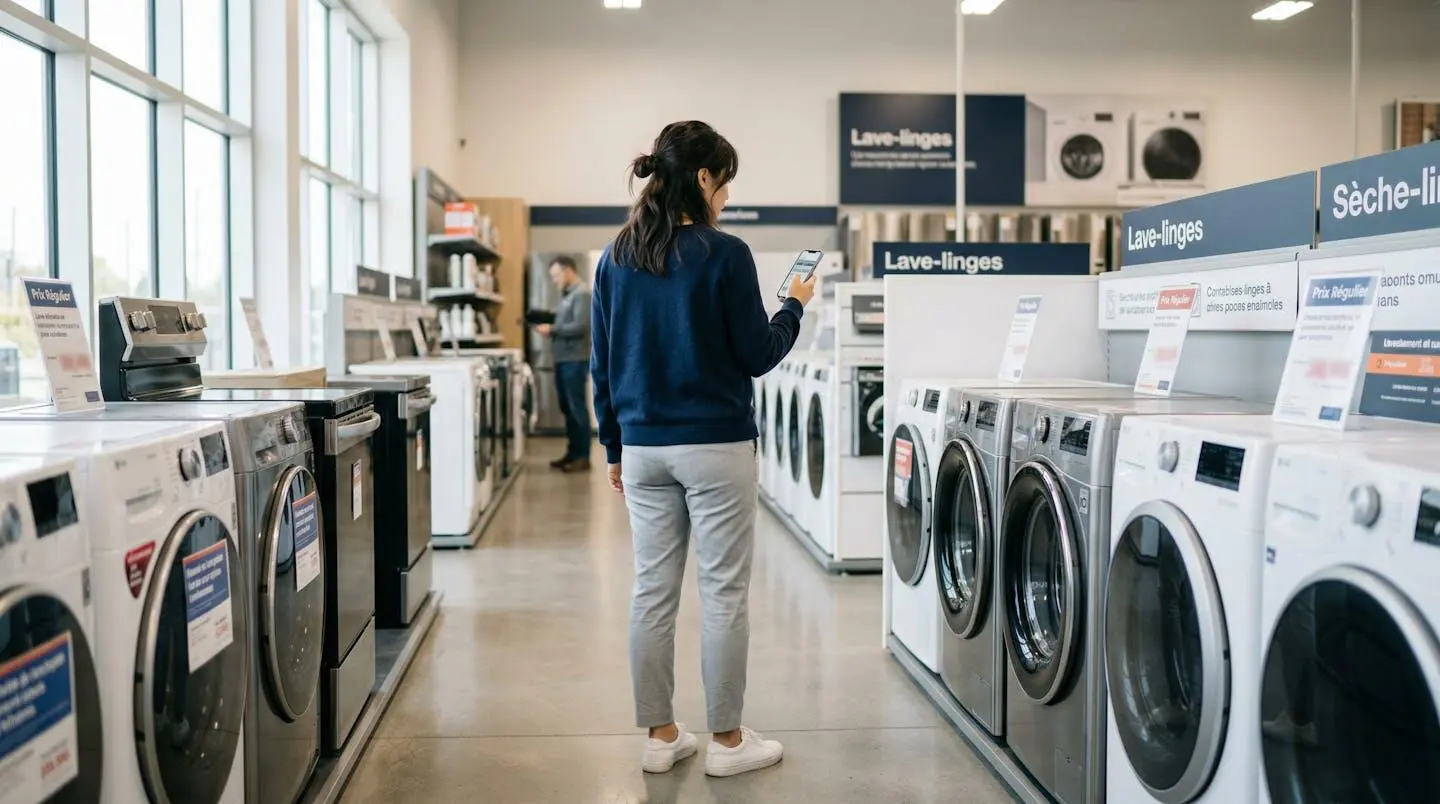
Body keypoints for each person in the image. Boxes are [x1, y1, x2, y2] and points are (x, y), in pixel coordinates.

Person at [590, 120, 816, 778]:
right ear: (704, 176)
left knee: (651, 592)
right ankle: (727, 742)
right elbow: (757, 353)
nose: (727, 196)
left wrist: (614, 446)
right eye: (725, 182)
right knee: (723, 594)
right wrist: (793, 306)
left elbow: (603, 364)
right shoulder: (726, 253)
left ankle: (661, 738)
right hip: (716, 445)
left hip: (643, 448)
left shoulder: (616, 257)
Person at [536, 255, 593, 472]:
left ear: (569, 271)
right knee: (567, 408)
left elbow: (580, 326)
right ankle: (572, 453)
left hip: (574, 360)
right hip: (563, 359)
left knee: (576, 407)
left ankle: (583, 456)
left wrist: (552, 329)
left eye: (556, 275)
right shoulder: (568, 295)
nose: (554, 280)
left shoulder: (582, 293)